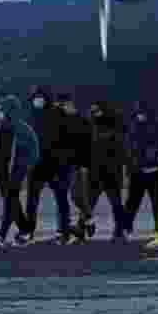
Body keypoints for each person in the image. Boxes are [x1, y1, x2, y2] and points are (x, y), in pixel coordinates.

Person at [0, 95, 40, 247]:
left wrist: (25, 167)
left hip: (15, 171)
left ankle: (1, 234)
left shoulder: (22, 129)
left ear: (10, 110)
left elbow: (34, 150)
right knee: (11, 202)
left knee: (10, 200)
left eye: (2, 109)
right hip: (1, 171)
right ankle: (25, 230)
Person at [23, 87, 74, 244]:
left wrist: (63, 162)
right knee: (32, 201)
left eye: (40, 97)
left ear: (46, 99)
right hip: (36, 165)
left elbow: (66, 139)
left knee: (61, 199)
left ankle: (64, 232)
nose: (37, 100)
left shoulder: (57, 114)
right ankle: (29, 232)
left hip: (54, 164)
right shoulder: (30, 115)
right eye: (35, 98)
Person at [85, 101, 132, 241]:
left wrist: (127, 166)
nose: (95, 113)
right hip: (96, 172)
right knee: (89, 203)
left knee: (115, 203)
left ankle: (119, 230)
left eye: (97, 110)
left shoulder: (114, 125)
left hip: (111, 172)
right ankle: (84, 228)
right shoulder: (91, 125)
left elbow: (122, 148)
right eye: (93, 111)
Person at [56, 94, 96, 240]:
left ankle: (89, 220)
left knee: (76, 196)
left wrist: (86, 164)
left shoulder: (82, 121)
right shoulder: (62, 121)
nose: (61, 108)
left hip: (80, 164)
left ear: (69, 105)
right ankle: (74, 228)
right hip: (67, 164)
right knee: (70, 196)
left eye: (62, 106)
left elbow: (89, 145)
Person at [124, 102, 158, 235]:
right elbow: (129, 149)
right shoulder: (132, 127)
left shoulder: (156, 126)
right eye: (138, 112)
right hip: (137, 172)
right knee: (132, 201)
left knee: (157, 202)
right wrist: (131, 168)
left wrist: (153, 158)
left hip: (153, 171)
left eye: (142, 112)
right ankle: (127, 225)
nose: (140, 115)